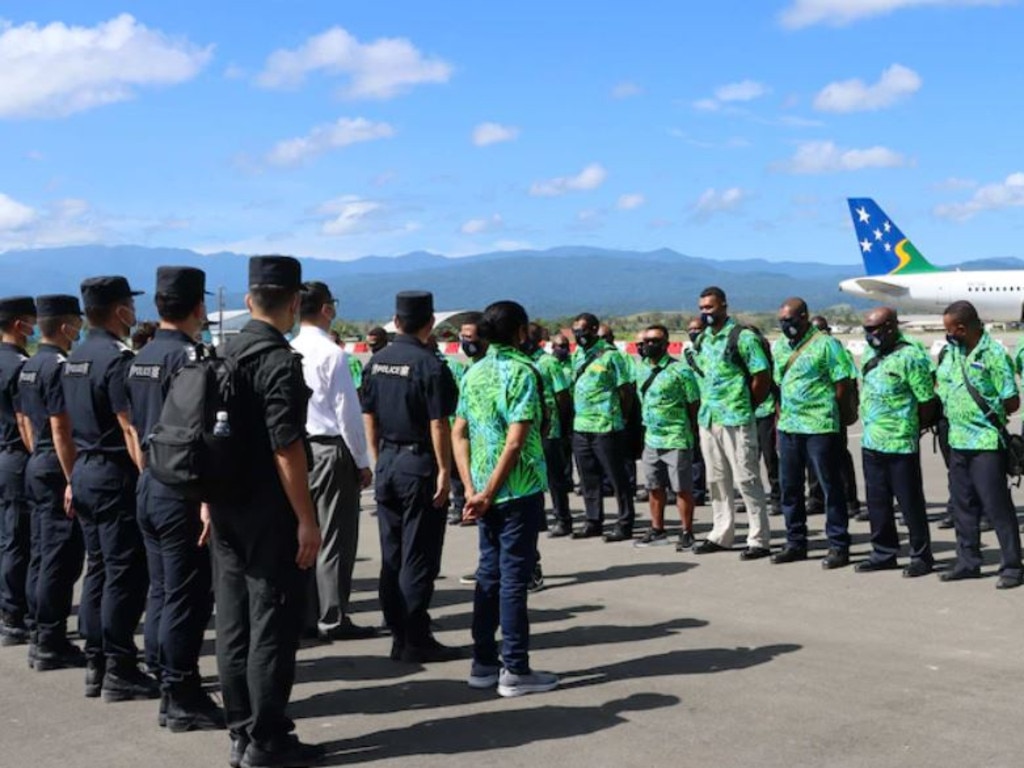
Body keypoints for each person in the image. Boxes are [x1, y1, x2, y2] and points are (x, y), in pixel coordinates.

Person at [208, 256, 323, 768]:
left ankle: (240, 732)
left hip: (225, 504)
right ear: (295, 302)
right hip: (267, 508)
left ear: (251, 299)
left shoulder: (222, 351)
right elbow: (286, 445)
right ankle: (268, 739)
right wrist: (306, 517)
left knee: (233, 622)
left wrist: (208, 501)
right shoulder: (278, 360)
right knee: (272, 622)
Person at [125, 267, 224, 731]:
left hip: (149, 482)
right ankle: (183, 692)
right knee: (186, 595)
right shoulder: (190, 359)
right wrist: (207, 498)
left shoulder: (140, 357)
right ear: (198, 308)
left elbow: (131, 425)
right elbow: (199, 435)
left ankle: (170, 686)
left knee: (163, 590)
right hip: (182, 488)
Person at [452, 300, 559, 698]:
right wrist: (491, 490)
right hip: (516, 489)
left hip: (481, 490)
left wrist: (470, 488)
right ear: (520, 332)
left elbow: (458, 432)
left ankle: (482, 661)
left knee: (488, 574)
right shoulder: (523, 372)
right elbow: (516, 442)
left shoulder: (473, 372)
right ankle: (515, 667)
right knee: (514, 578)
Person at [62, 277, 157, 700]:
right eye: (130, 306)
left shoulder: (76, 356)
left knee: (99, 567)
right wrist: (149, 479)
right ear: (121, 312)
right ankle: (120, 666)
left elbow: (61, 424)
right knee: (125, 573)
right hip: (116, 471)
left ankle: (98, 659)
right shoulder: (117, 360)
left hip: (84, 468)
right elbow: (130, 427)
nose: (134, 314)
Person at [362, 290, 460, 663]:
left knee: (393, 555)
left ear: (396, 321)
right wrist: (444, 471)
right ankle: (415, 637)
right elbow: (439, 422)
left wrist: (377, 457)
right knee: (419, 556)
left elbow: (368, 413)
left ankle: (398, 633)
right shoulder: (429, 365)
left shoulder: (377, 361)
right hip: (419, 464)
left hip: (388, 459)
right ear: (430, 323)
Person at [290, 281, 376, 641]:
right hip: (329, 446)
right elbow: (347, 414)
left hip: (297, 449)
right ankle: (334, 614)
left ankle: (306, 612)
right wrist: (362, 460)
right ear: (326, 308)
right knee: (335, 536)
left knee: (304, 531)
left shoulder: (289, 347)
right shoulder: (333, 354)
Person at [17, 295, 85, 670]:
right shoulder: (58, 367)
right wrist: (72, 477)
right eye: (76, 323)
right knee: (60, 557)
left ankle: (39, 631)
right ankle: (50, 639)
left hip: (37, 460)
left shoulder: (30, 366)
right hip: (56, 464)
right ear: (65, 327)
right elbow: (62, 427)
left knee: (41, 552)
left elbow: (24, 420)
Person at [937, 300, 1023, 588]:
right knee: (963, 506)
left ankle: (1012, 566)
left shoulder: (994, 354)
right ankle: (967, 561)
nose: (946, 334)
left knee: (997, 506)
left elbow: (1012, 401)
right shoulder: (951, 353)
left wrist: (986, 411)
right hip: (957, 440)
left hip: (985, 442)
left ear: (961, 328)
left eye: (949, 329)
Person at [770, 298, 857, 568]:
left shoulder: (826, 344)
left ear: (805, 316)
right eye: (782, 321)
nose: (787, 325)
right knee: (790, 488)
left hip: (820, 427)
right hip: (789, 428)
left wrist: (837, 416)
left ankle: (838, 545)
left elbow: (842, 382)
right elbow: (778, 384)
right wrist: (779, 413)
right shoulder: (781, 348)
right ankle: (795, 542)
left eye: (791, 320)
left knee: (830, 488)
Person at [690, 287, 772, 560]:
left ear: (724, 306)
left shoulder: (743, 337)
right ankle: (721, 533)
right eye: (702, 308)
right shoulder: (703, 340)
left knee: (746, 478)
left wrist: (748, 404)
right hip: (709, 417)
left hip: (736, 417)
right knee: (716, 479)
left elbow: (761, 375)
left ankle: (758, 538)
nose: (706, 313)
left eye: (710, 308)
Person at [855, 307, 938, 577]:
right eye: (866, 330)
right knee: (877, 502)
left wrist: (913, 428)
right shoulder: (871, 355)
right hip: (872, 442)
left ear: (890, 326)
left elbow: (926, 401)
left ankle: (921, 556)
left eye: (874, 329)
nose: (869, 336)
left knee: (909, 502)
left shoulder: (911, 356)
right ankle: (884, 552)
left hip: (901, 443)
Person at [569, 313, 635, 542]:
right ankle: (593, 521)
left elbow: (626, 391)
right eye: (576, 331)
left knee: (617, 477)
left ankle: (625, 522)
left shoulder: (611, 356)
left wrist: (621, 418)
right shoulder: (577, 355)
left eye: (584, 330)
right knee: (588, 478)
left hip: (606, 426)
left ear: (595, 329)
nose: (580, 335)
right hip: (581, 426)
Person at [633, 325, 700, 550]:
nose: (650, 345)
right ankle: (657, 529)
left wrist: (690, 431)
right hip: (652, 438)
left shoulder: (680, 371)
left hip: (676, 438)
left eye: (655, 341)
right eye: (646, 341)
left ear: (666, 344)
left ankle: (687, 532)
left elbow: (693, 403)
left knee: (682, 488)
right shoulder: (640, 368)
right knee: (654, 486)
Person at [0, 296, 37, 647]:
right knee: (18, 537)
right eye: (30, 321)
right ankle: (13, 613)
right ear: (18, 325)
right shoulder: (20, 366)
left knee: (5, 536)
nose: (34, 326)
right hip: (15, 455)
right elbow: (25, 421)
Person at [807, 316, 863, 520]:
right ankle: (816, 498)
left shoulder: (838, 352)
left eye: (822, 330)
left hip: (834, 412)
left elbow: (849, 385)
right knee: (812, 460)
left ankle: (850, 501)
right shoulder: (807, 352)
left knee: (839, 457)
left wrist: (848, 412)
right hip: (811, 415)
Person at [523, 323, 573, 537]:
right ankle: (540, 518)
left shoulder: (549, 363)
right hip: (529, 431)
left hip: (550, 430)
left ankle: (563, 519)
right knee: (532, 476)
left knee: (555, 478)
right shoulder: (523, 363)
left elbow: (562, 396)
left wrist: (561, 426)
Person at [448, 315, 486, 527]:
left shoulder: (497, 367)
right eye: (462, 337)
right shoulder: (470, 368)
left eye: (469, 337)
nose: (465, 342)